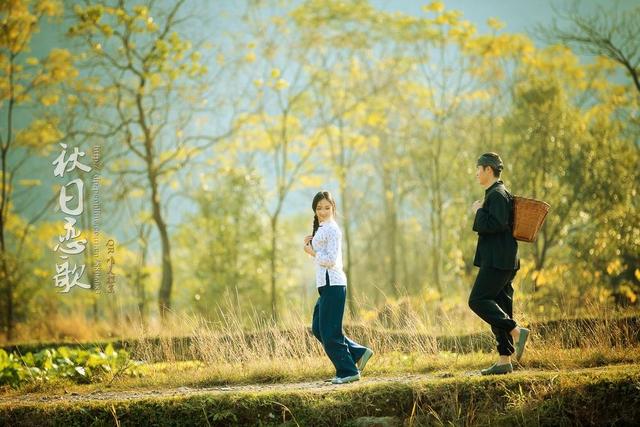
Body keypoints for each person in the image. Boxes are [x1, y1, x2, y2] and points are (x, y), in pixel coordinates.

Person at [303, 191, 374, 384]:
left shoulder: (332, 229)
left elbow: (332, 260)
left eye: (327, 207)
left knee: (330, 332)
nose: (323, 211)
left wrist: (311, 251)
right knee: (319, 328)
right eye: (319, 208)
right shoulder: (323, 228)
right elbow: (322, 255)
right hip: (326, 286)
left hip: (334, 283)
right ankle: (359, 352)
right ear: (314, 210)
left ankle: (348, 371)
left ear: (333, 208)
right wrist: (311, 246)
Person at [469, 153, 530, 375]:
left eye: (478, 169)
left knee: (477, 300)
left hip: (497, 261)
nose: (476, 173)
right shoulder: (497, 194)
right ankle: (505, 360)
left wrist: (478, 212)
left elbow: (495, 224)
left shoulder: (497, 194)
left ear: (488, 170)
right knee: (500, 306)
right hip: (503, 259)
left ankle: (515, 330)